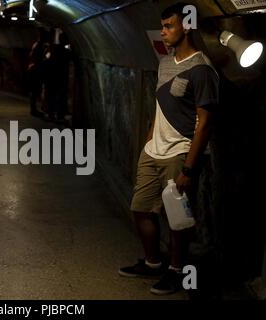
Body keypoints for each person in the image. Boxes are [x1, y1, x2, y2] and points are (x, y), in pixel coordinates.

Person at [118, 2, 219, 295]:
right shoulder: (164, 63)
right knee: (140, 209)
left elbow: (205, 123)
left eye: (168, 26)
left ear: (187, 26)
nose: (162, 32)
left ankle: (177, 271)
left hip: (179, 153)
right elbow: (159, 107)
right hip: (154, 151)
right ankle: (152, 264)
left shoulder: (202, 70)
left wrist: (189, 166)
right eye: (162, 26)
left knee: (177, 217)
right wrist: (149, 142)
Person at [27, 29, 50, 117]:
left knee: (34, 91)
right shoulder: (40, 46)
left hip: (33, 69)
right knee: (35, 91)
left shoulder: (36, 45)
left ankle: (34, 109)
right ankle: (34, 109)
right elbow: (40, 58)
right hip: (36, 70)